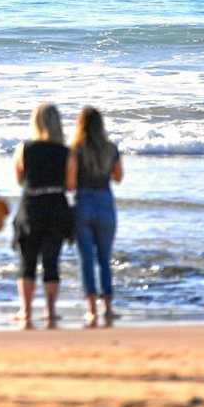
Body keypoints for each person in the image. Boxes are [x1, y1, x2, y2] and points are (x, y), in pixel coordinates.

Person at [12, 102, 76, 330]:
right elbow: (70, 185)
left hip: (30, 206)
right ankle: (50, 311)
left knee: (26, 262)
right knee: (51, 261)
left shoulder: (24, 148)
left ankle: (26, 311)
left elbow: (19, 179)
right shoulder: (66, 152)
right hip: (56, 206)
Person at [70, 107, 122, 327]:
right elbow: (118, 177)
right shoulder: (111, 149)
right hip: (105, 202)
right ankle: (108, 307)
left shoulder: (75, 149)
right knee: (104, 258)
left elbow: (70, 183)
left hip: (83, 202)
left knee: (86, 260)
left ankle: (91, 309)